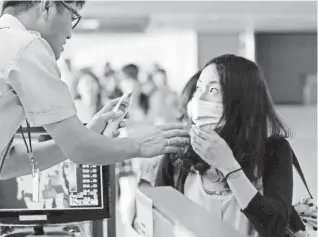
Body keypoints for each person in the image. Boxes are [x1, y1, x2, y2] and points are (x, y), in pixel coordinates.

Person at [0, 1, 190, 237]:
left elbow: (8, 164)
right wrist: (139, 146)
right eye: (73, 15)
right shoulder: (25, 45)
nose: (70, 32)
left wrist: (86, 133)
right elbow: (80, 149)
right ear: (46, 6)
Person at [124, 54, 302, 237]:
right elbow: (155, 222)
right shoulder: (180, 153)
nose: (199, 98)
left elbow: (276, 229)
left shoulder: (274, 151)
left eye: (213, 90)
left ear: (240, 100)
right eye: (199, 88)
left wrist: (229, 167)